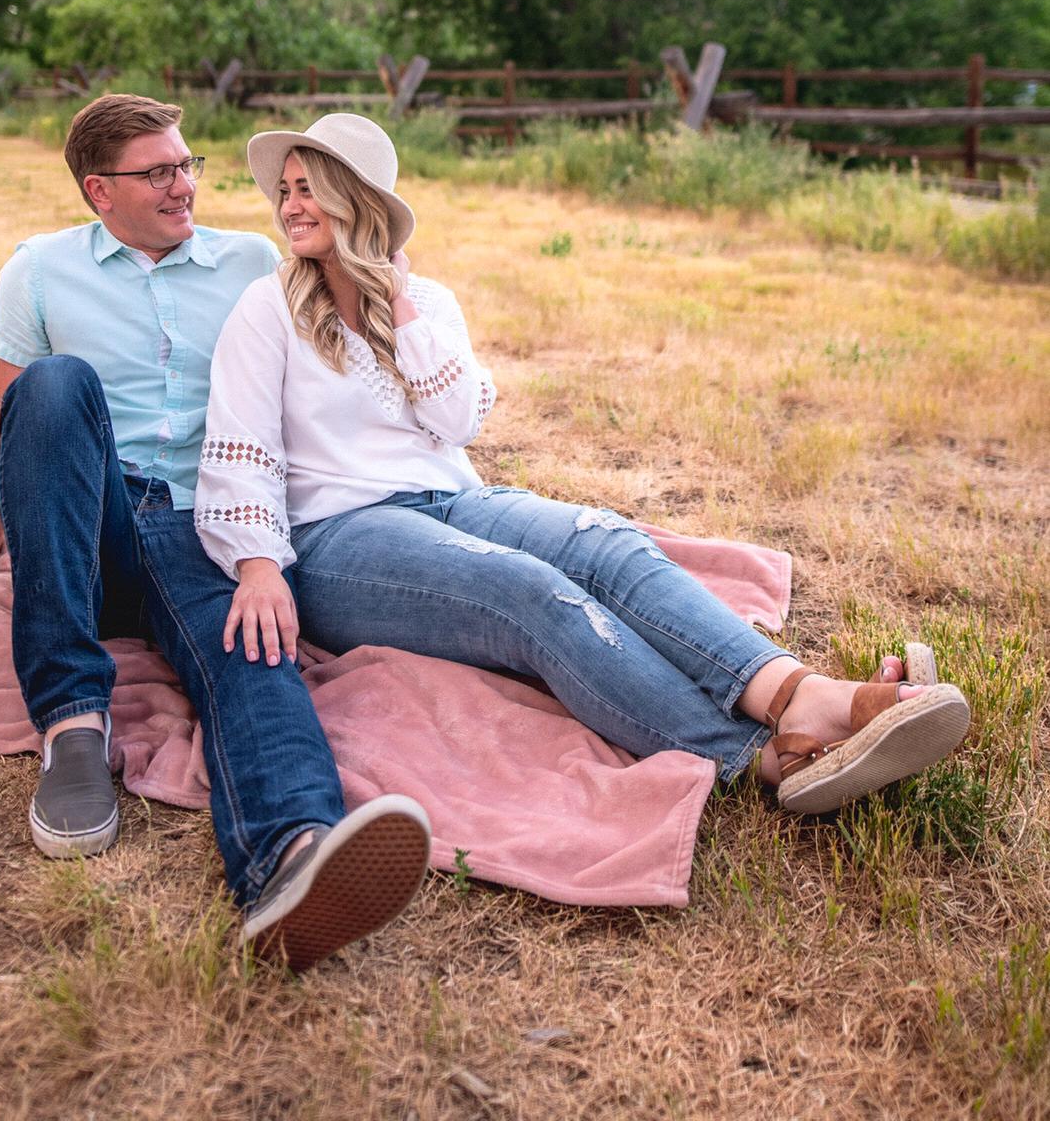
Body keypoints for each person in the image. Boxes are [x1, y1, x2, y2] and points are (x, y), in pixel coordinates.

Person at [194, 113, 971, 816]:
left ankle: (801, 696)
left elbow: (456, 421)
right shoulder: (269, 308)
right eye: (285, 190)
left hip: (450, 500)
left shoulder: (428, 301)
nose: (289, 206)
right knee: (528, 590)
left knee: (606, 540)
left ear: (356, 199)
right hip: (340, 539)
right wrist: (257, 566)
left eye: (308, 188)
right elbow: (241, 446)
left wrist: (399, 307)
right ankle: (757, 757)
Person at [0, 93, 430, 970]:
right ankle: (72, 725)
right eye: (158, 173)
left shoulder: (250, 262)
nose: (184, 186)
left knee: (255, 646)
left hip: (205, 522)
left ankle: (293, 857)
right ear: (99, 191)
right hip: (89, 526)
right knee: (55, 383)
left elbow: (341, 343)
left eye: (186, 164)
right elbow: (7, 420)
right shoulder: (39, 270)